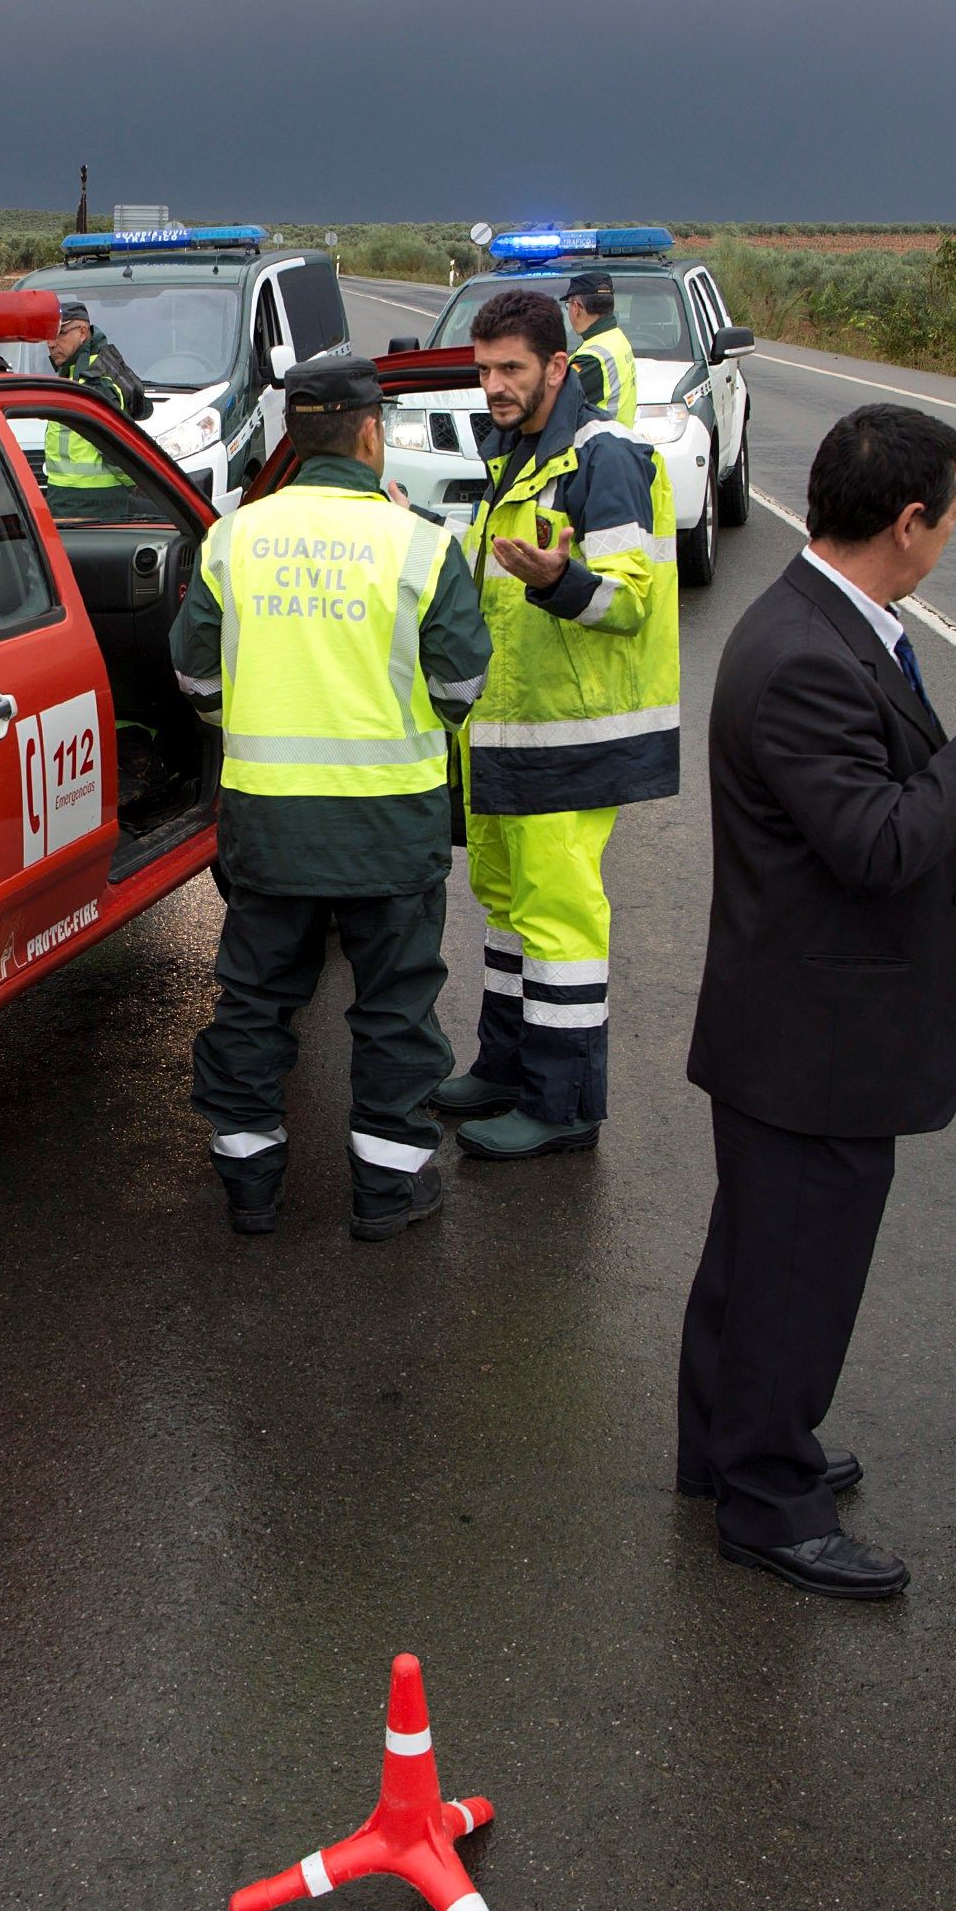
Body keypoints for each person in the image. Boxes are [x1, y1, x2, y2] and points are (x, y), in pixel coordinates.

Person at [682, 406, 956, 1599]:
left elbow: (871, 820)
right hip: (813, 1037)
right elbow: (876, 836)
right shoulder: (805, 653)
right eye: (951, 517)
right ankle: (769, 1499)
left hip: (796, 1020)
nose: (953, 536)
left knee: (755, 1257)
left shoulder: (840, 625)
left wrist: (947, 881)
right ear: (906, 522)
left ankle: (726, 1449)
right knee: (796, 1271)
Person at [174, 352, 493, 1240]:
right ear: (368, 434)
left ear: (289, 437)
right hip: (390, 828)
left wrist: (258, 716)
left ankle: (250, 1189)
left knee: (254, 1002)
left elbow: (192, 675)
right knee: (393, 1009)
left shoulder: (232, 537)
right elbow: (462, 686)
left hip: (267, 825)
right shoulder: (419, 543)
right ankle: (387, 1194)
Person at [435, 286, 680, 1161]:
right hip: (506, 730)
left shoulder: (600, 458)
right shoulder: (515, 452)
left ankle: (563, 1104)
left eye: (510, 369)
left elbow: (626, 600)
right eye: (484, 369)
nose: (493, 385)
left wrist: (556, 581)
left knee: (560, 920)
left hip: (569, 737)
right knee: (504, 908)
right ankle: (504, 1067)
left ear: (556, 367)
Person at [40, 300, 151, 505]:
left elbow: (115, 446)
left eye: (60, 333)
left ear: (82, 333)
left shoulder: (94, 380)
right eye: (48, 336)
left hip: (93, 502)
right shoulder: (72, 375)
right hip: (64, 496)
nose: (51, 343)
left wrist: (136, 484)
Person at [562, 271, 639, 428]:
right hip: (615, 441)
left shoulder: (592, 358)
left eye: (568, 305)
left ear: (576, 308)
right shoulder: (615, 337)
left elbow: (552, 403)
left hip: (599, 444)